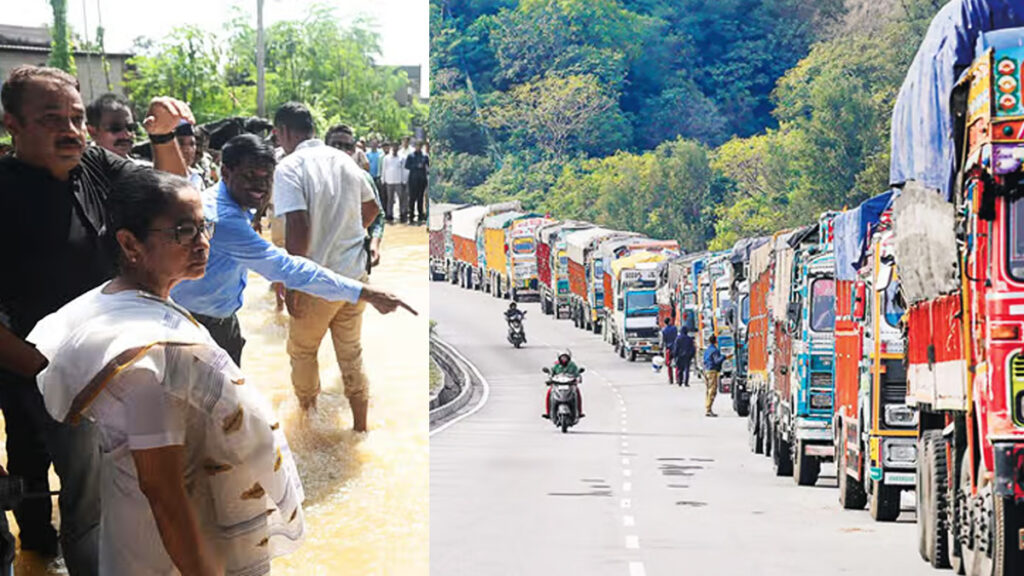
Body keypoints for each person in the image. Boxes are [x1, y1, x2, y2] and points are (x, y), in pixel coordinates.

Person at [28, 169, 305, 575]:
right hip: (167, 546)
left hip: (131, 518)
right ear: (129, 243)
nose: (203, 243)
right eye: (184, 231)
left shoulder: (109, 302)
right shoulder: (145, 359)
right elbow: (162, 491)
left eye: (203, 226)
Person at [0, 64, 192, 574]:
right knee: (30, 466)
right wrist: (49, 371)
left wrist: (165, 136)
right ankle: (38, 547)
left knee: (94, 497)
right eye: (50, 119)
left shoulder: (95, 166)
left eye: (76, 117)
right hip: (31, 366)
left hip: (102, 368)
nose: (69, 130)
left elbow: (170, 191)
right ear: (11, 125)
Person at [171, 134, 412, 367]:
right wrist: (367, 293)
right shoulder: (223, 218)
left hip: (218, 317)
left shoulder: (231, 200)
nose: (261, 185)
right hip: (196, 324)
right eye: (251, 175)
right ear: (225, 172)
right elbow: (287, 268)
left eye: (267, 177)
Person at [272, 102, 383, 431]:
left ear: (286, 131)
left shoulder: (290, 166)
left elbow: (298, 228)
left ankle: (309, 424)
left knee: (303, 351)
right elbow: (373, 208)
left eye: (277, 135)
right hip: (354, 277)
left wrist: (292, 282)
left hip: (316, 279)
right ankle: (361, 427)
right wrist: (347, 240)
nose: (278, 141)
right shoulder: (347, 163)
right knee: (351, 352)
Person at [325, 125, 385, 271]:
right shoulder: (315, 178)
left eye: (348, 146)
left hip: (353, 254)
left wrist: (374, 244)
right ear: (326, 146)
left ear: (353, 150)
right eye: (337, 145)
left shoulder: (363, 178)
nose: (343, 150)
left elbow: (378, 217)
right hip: (321, 254)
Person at [85, 92, 136, 159]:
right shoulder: (81, 167)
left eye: (130, 127)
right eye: (116, 128)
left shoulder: (142, 165)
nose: (126, 135)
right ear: (92, 132)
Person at [543, 350, 583, 419]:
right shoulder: (556, 365)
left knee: (577, 393)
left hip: (570, 385)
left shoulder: (572, 366)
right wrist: (549, 380)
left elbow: (577, 374)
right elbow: (551, 374)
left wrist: (578, 379)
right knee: (549, 392)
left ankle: (579, 412)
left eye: (565, 357)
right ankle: (548, 412)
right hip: (558, 385)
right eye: (562, 358)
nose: (564, 359)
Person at [174, 120, 205, 190]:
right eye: (180, 143)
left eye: (192, 144)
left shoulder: (196, 177)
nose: (187, 150)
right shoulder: (159, 177)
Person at [405, 140, 429, 224]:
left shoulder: (425, 156)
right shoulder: (410, 156)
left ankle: (420, 216)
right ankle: (411, 216)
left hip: (422, 180)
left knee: (420, 198)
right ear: (415, 146)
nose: (418, 147)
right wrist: (416, 166)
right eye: (417, 146)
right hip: (413, 179)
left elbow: (428, 166)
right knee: (412, 198)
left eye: (419, 146)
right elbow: (406, 166)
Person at [703, 334, 726, 417]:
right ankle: (708, 409)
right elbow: (717, 361)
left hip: (706, 371)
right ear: (716, 341)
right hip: (712, 371)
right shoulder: (715, 351)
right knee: (712, 390)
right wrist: (723, 357)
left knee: (708, 390)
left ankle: (708, 407)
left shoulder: (707, 350)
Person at [381, 142, 404, 223]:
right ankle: (389, 215)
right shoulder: (386, 158)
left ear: (398, 148)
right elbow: (384, 169)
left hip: (399, 181)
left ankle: (402, 214)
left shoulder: (401, 158)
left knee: (401, 198)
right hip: (389, 181)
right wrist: (383, 180)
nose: (395, 149)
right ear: (391, 148)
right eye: (394, 147)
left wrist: (404, 180)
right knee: (390, 199)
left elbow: (403, 170)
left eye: (396, 147)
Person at [660, 318, 678, 385]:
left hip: (668, 348)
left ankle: (671, 379)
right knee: (677, 363)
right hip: (675, 347)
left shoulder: (664, 330)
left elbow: (663, 340)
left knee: (669, 364)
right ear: (670, 321)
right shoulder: (674, 328)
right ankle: (677, 378)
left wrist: (661, 348)